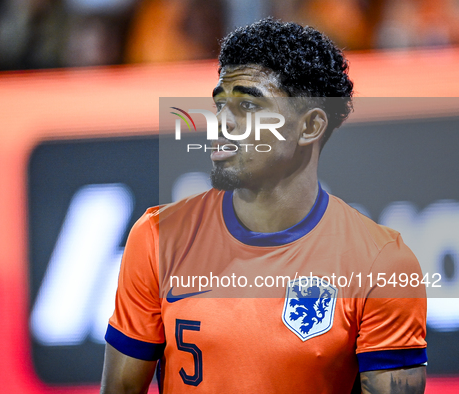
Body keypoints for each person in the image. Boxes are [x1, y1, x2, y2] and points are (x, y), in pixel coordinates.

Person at [101, 18, 427, 393]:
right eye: (220, 104)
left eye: (247, 105)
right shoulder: (158, 238)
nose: (221, 123)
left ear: (309, 127)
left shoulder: (382, 263)